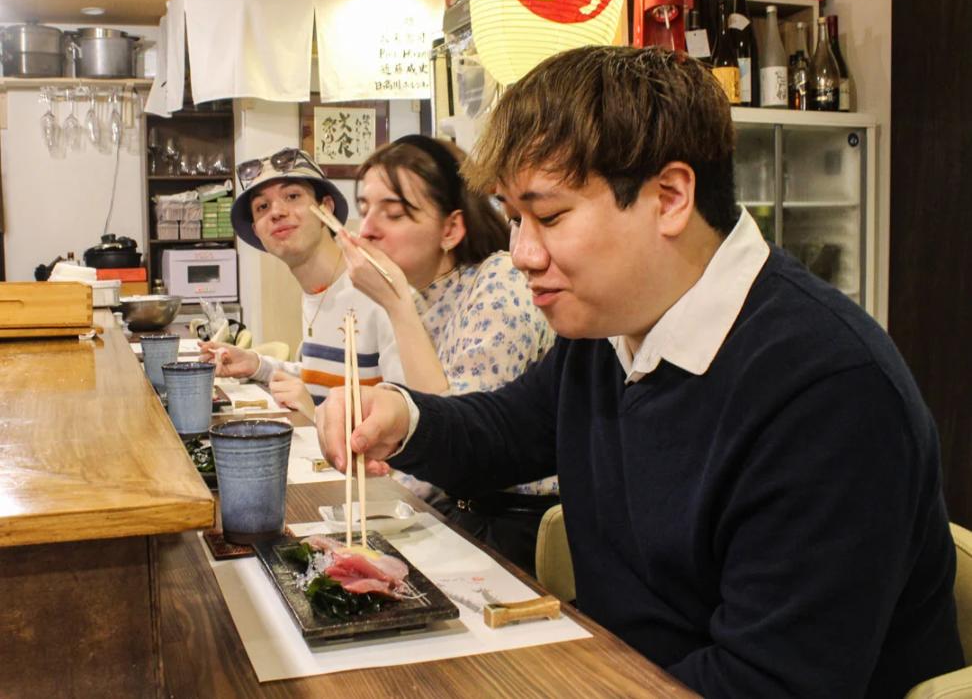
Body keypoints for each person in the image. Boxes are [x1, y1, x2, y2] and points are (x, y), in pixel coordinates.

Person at [317, 47, 962, 697]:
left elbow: (767, 681)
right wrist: (403, 417)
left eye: (549, 217)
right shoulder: (612, 325)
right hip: (619, 667)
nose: (520, 254)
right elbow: (505, 430)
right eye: (514, 220)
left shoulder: (828, 391)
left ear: (671, 197)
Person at [335, 134, 556, 574]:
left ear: (451, 229)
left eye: (393, 213)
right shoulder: (425, 298)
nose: (367, 230)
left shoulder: (501, 284)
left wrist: (397, 302)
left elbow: (458, 451)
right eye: (364, 209)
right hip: (454, 511)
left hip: (513, 526)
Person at [200, 148, 411, 416]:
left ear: (326, 208)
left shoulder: (375, 287)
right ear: (257, 231)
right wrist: (256, 364)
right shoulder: (314, 292)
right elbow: (323, 378)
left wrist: (314, 412)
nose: (276, 212)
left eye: (292, 196)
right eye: (262, 207)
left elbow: (409, 418)